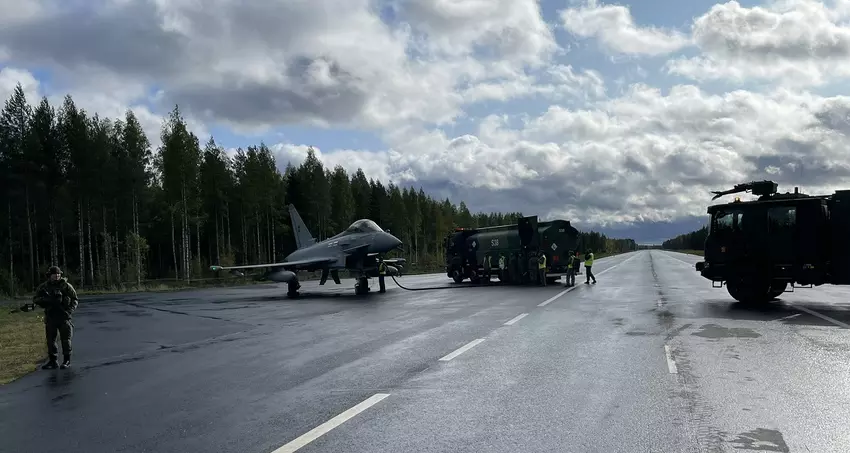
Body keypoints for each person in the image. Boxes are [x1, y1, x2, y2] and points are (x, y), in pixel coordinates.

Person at [33, 266, 79, 369]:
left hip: (64, 317)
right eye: (55, 274)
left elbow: (75, 299)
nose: (57, 276)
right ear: (50, 275)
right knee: (50, 340)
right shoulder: (44, 287)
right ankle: (53, 361)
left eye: (58, 274)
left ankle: (67, 360)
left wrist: (69, 310)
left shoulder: (66, 286)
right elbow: (36, 299)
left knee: (66, 340)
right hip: (51, 316)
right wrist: (45, 301)